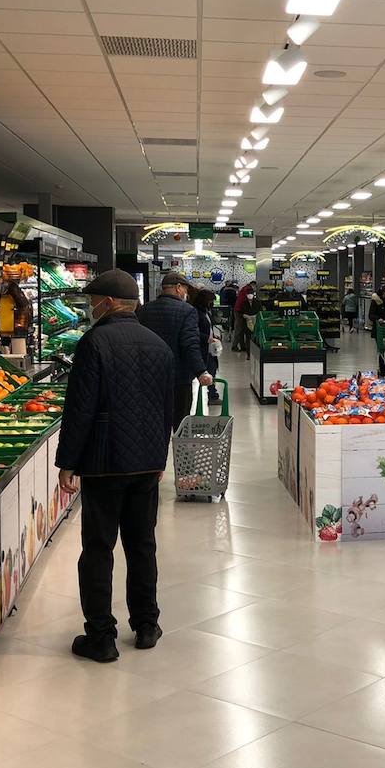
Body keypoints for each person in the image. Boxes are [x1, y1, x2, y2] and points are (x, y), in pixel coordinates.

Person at [55, 269, 174, 662]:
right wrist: (160, 456)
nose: (91, 308)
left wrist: (68, 463)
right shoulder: (158, 345)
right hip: (145, 464)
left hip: (104, 463)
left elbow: (80, 409)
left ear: (106, 304)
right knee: (143, 545)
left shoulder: (94, 343)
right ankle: (145, 624)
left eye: (93, 302)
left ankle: (101, 636)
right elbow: (167, 407)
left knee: (98, 548)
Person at [137, 271, 212, 437]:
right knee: (180, 424)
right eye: (185, 289)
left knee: (153, 422)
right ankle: (181, 457)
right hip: (179, 378)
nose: (186, 293)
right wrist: (201, 371)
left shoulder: (145, 310)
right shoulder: (187, 311)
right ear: (178, 288)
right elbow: (189, 344)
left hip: (149, 376)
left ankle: (155, 459)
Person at [192, 287, 220, 405]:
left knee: (212, 370)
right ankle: (211, 395)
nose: (211, 303)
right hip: (202, 347)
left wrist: (214, 336)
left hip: (209, 348)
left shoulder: (205, 311)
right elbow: (194, 330)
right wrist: (206, 338)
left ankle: (212, 394)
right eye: (210, 301)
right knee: (208, 370)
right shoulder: (195, 312)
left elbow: (208, 327)